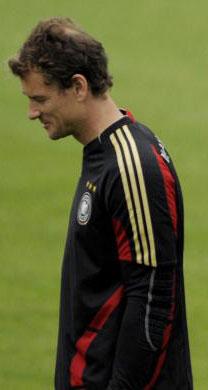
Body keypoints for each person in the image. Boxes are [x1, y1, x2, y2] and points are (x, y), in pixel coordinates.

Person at [9, 18, 192, 389]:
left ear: (78, 86)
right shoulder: (104, 154)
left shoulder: (131, 165)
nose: (32, 112)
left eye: (40, 99)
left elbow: (153, 301)